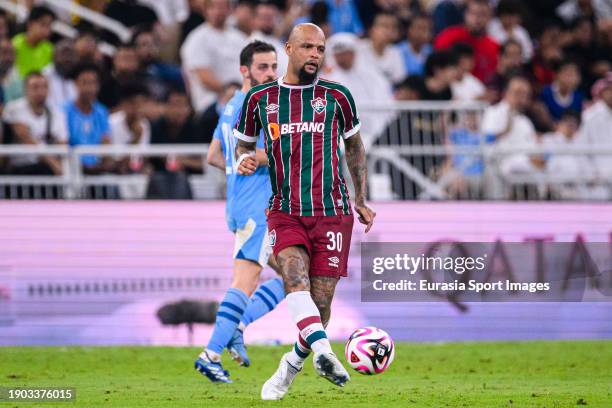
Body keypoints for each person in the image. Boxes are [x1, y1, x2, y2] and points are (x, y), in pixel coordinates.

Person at [233, 23, 375, 400]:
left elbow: (356, 148)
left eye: (320, 48)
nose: (315, 54)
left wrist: (361, 197)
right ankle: (325, 353)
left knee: (321, 305)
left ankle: (290, 365)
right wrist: (245, 161)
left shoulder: (337, 96)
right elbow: (242, 147)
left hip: (332, 211)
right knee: (294, 279)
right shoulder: (260, 99)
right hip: (285, 210)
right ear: (289, 49)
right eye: (308, 47)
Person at [194, 40, 287, 383]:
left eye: (274, 66)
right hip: (258, 209)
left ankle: (238, 325)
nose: (271, 73)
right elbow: (266, 154)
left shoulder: (231, 104)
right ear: (244, 70)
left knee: (296, 277)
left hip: (240, 205)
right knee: (246, 280)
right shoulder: (261, 106)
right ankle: (211, 354)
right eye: (263, 67)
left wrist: (239, 170)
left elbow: (214, 156)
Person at [181, 0, 247, 112]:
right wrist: (232, 90)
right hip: (211, 103)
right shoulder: (196, 38)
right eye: (214, 7)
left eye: (222, 7)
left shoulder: (240, 38)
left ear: (230, 10)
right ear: (206, 10)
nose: (218, 11)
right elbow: (204, 77)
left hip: (242, 97)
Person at [2, 72, 67, 175]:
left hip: (45, 168)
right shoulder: (13, 108)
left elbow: (63, 143)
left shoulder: (57, 113)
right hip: (19, 169)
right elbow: (25, 138)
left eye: (44, 87)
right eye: (35, 87)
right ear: (25, 90)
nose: (40, 92)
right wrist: (54, 164)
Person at [434, 0, 499, 83]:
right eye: (473, 13)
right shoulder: (448, 37)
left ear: (490, 18)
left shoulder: (494, 46)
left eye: (483, 15)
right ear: (465, 15)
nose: (477, 19)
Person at [65, 63, 112, 175]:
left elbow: (105, 141)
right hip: (73, 168)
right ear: (75, 84)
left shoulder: (102, 112)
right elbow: (64, 143)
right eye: (85, 83)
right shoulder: (64, 111)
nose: (89, 88)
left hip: (97, 169)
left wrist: (104, 164)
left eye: (93, 83)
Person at [11, 6, 55, 79]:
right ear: (30, 24)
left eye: (49, 26)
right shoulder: (14, 44)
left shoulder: (50, 49)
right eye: (43, 24)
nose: (47, 30)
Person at [43, 39, 77, 112]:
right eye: (64, 54)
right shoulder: (44, 76)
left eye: (71, 55)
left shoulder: (78, 76)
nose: (68, 59)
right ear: (54, 56)